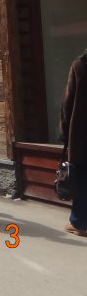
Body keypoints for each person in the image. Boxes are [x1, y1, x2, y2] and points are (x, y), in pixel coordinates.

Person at [59, 51, 87, 236]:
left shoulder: (80, 65)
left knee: (82, 178)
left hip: (82, 135)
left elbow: (67, 103)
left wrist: (64, 133)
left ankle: (79, 223)